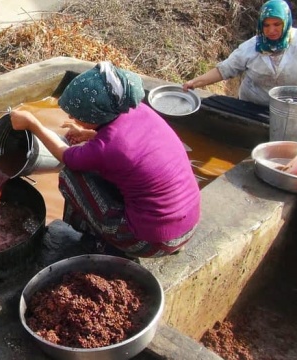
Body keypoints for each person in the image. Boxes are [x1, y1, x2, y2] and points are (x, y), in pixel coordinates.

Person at [10, 61, 201, 258]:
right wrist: (89, 134)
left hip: (150, 243)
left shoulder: (107, 148)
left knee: (70, 175)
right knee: (104, 172)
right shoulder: (139, 111)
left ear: (96, 115)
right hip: (187, 227)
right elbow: (128, 142)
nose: (71, 118)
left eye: (76, 115)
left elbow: (65, 157)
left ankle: (102, 242)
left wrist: (33, 124)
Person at [182, 0, 297, 106]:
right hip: (252, 106)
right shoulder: (250, 48)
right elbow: (224, 70)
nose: (271, 30)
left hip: (291, 108)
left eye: (277, 24)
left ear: (287, 22)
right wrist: (194, 83)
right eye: (266, 25)